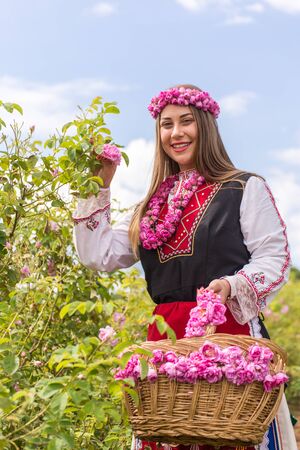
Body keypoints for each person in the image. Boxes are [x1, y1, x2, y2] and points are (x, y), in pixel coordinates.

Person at [73, 85, 297, 450]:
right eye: (166, 125)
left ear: (205, 126)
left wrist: (230, 285)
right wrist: (98, 185)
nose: (176, 133)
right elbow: (98, 254)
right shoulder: (151, 208)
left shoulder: (243, 187)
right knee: (166, 434)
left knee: (229, 436)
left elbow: (274, 258)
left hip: (226, 332)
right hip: (166, 341)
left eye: (186, 122)